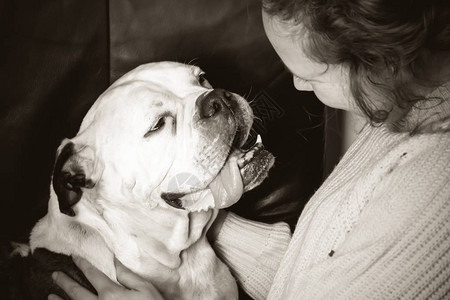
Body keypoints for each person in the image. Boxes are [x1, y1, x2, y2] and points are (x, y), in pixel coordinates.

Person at [49, 0, 450, 299]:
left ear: (379, 62)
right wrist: (198, 213)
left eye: (307, 74)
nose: (296, 88)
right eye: (158, 123)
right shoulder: (409, 108)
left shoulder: (429, 186)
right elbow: (325, 271)